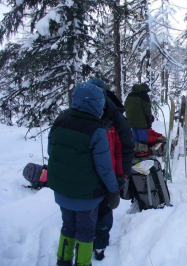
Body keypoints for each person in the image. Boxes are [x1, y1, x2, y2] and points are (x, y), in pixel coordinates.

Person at [47, 82, 120, 266]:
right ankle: (83, 263)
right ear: (95, 104)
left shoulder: (59, 121)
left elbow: (52, 151)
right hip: (86, 196)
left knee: (68, 227)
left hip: (62, 191)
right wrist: (114, 191)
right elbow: (104, 168)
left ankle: (63, 262)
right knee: (85, 233)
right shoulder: (96, 130)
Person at [87, 79, 135, 260]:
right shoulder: (81, 115)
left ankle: (99, 245)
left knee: (105, 212)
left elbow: (125, 148)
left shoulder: (114, 117)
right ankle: (86, 241)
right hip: (87, 176)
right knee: (87, 213)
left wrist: (122, 175)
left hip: (109, 176)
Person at [124, 83, 152, 156]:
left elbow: (125, 106)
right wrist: (149, 120)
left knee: (135, 136)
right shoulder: (144, 96)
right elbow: (147, 110)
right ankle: (142, 152)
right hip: (141, 121)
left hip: (130, 120)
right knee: (143, 136)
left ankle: (135, 151)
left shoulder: (130, 95)